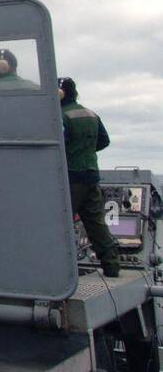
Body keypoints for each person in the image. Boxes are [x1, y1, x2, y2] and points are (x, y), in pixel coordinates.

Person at [59, 77, 119, 276]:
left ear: (60, 93)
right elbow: (104, 141)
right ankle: (111, 265)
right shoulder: (91, 114)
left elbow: (57, 145)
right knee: (96, 223)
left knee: (59, 223)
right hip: (91, 176)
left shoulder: (61, 116)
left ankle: (57, 272)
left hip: (70, 177)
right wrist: (86, 151)